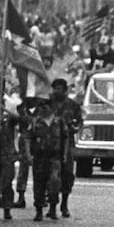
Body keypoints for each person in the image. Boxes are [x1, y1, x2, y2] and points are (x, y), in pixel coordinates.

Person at [48, 78, 83, 219]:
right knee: (52, 177)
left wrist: (75, 128)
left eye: (60, 88)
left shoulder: (72, 105)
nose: (57, 91)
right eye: (55, 88)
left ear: (65, 90)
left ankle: (64, 203)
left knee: (67, 174)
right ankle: (51, 206)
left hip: (67, 144)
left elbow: (79, 122)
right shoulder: (48, 104)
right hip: (51, 143)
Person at [28, 103, 64, 222]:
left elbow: (66, 138)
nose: (43, 109)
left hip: (54, 158)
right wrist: (28, 155)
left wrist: (65, 155)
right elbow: (28, 138)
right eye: (41, 107)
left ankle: (53, 209)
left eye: (46, 106)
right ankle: (39, 211)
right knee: (39, 184)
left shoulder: (59, 122)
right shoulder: (35, 122)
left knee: (54, 183)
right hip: (39, 158)